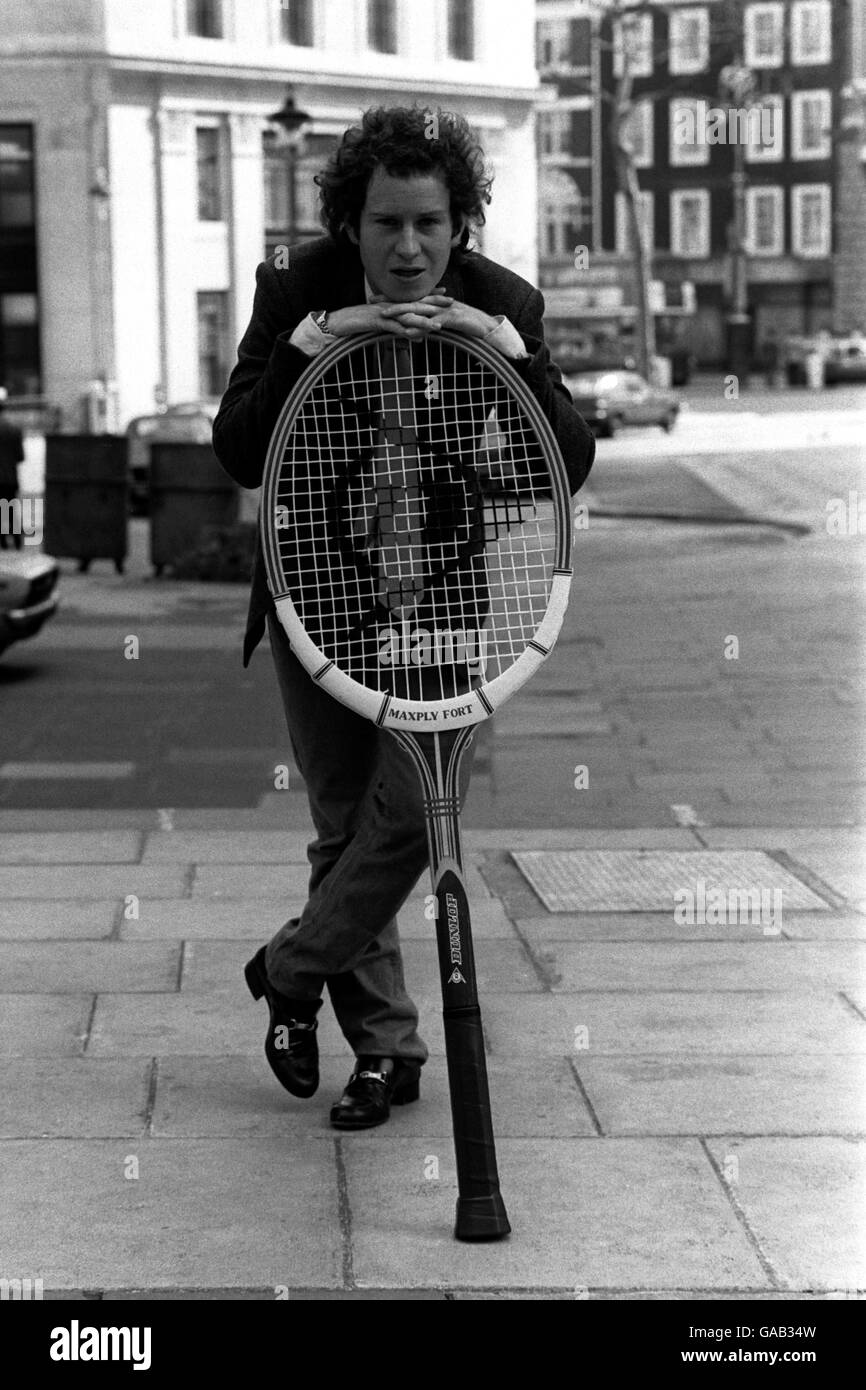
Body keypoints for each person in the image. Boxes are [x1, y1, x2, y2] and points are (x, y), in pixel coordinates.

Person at [213, 105, 595, 1130]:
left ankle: (290, 971)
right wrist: (313, 341)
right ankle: (385, 1053)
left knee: (414, 818)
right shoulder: (294, 289)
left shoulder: (502, 300)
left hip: (445, 606)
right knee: (345, 825)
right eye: (384, 223)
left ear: (459, 221)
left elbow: (569, 457)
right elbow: (240, 449)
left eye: (429, 222)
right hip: (315, 596)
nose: (408, 246)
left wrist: (502, 349)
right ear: (351, 222)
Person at [0, 386, 25, 551]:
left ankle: (3, 544)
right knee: (10, 511)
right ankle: (17, 542)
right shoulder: (14, 430)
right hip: (10, 478)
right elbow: (21, 457)